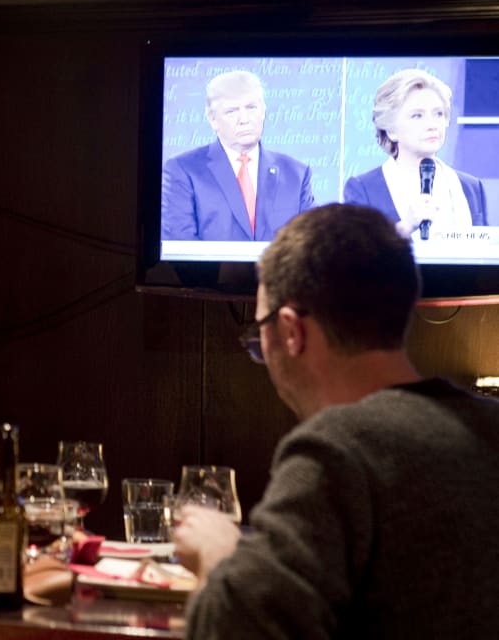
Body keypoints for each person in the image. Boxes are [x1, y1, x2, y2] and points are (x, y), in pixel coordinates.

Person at [173, 203, 499, 638]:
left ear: (291, 331)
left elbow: (238, 629)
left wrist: (220, 556)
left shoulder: (336, 451)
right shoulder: (490, 427)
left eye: (259, 335)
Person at [162, 69, 315, 241]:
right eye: (231, 111)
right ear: (212, 119)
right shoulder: (183, 170)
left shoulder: (297, 174)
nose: (244, 119)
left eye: (251, 107)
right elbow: (180, 244)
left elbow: (308, 246)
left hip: (280, 269)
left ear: (263, 111)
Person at [344, 68, 487, 237]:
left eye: (438, 114)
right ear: (391, 130)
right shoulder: (363, 188)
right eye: (417, 116)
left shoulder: (471, 187)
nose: (432, 124)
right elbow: (352, 255)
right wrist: (405, 227)